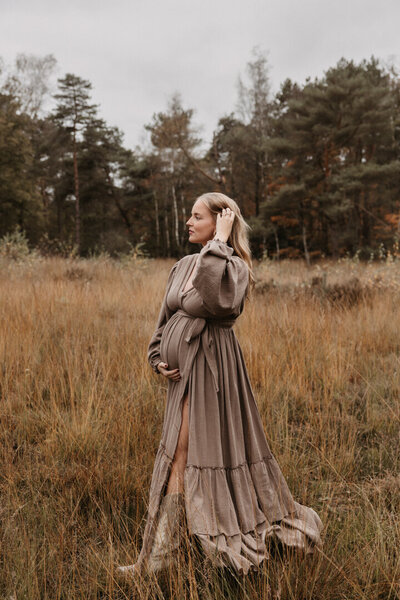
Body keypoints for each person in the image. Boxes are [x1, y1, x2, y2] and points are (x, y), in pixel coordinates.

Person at [117, 192, 323, 578]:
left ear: (220, 222)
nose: (188, 223)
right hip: (181, 376)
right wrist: (157, 357)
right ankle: (163, 554)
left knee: (186, 453)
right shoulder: (183, 265)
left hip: (213, 372)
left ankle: (164, 558)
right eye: (189, 217)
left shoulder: (233, 268)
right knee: (179, 453)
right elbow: (166, 316)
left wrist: (220, 244)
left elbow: (216, 302)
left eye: (197, 217)